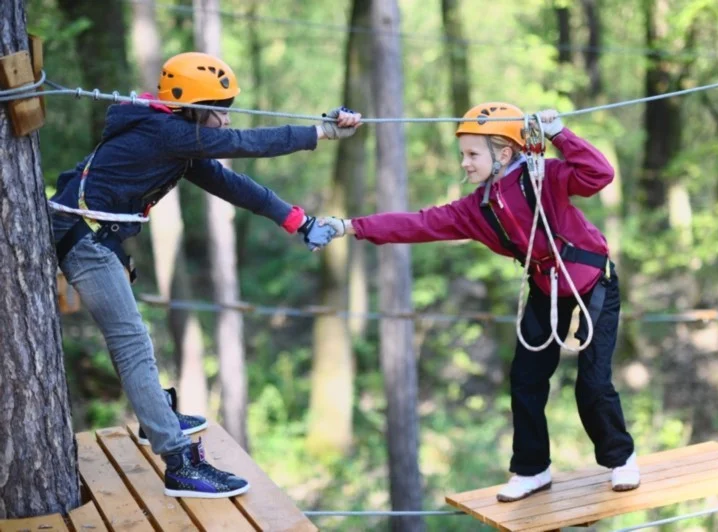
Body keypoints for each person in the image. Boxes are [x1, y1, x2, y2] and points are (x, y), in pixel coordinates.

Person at [49, 52, 361, 498]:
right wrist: (320, 131)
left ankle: (158, 416)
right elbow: (249, 143)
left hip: (94, 237)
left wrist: (299, 221)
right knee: (131, 343)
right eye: (219, 107)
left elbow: (236, 186)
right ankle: (179, 464)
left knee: (134, 341)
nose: (226, 116)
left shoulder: (175, 140)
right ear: (192, 108)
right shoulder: (165, 132)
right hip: (85, 242)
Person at [320, 102, 639, 502]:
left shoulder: (544, 177)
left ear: (503, 153)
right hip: (545, 284)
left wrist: (560, 134)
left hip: (593, 281)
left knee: (591, 382)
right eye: (463, 155)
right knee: (525, 378)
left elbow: (599, 174)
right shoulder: (477, 209)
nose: (465, 164)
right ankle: (533, 468)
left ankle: (620, 459)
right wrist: (350, 226)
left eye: (472, 154)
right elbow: (418, 224)